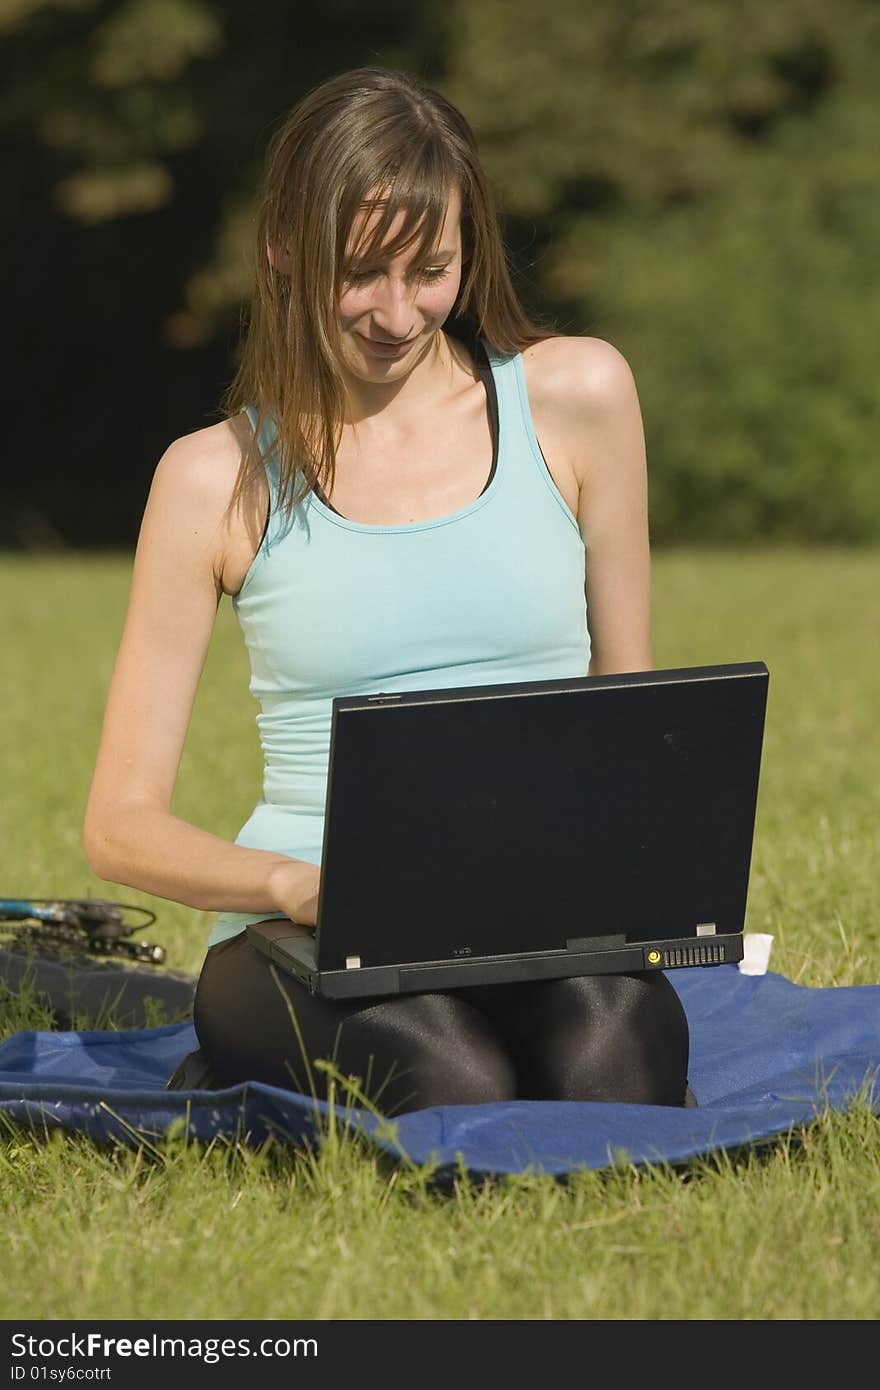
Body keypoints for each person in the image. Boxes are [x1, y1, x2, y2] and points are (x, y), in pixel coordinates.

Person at [83, 66, 691, 1114]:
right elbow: (119, 823)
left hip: (536, 906)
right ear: (283, 248)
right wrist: (293, 887)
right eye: (360, 271)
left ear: (469, 250)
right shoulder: (212, 478)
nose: (398, 312)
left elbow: (625, 717)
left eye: (431, 268)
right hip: (308, 922)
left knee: (615, 1061)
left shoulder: (578, 397)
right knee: (453, 1077)